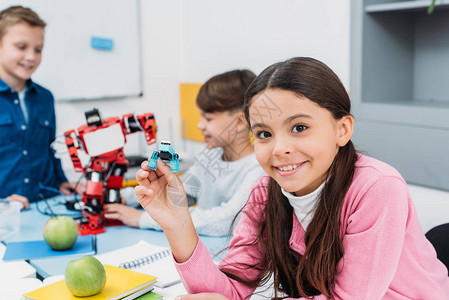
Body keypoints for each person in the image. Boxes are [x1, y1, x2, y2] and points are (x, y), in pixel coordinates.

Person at [134, 57, 449, 299]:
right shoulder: (264, 192)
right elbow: (229, 291)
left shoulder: (377, 188)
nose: (280, 149)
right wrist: (178, 224)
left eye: (299, 127)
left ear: (343, 129)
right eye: (265, 134)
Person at [105, 69, 265, 236]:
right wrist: (124, 197)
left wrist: (142, 219)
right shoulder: (212, 157)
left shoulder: (258, 170)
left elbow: (226, 221)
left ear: (240, 122)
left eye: (208, 119)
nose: (199, 125)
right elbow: (181, 192)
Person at [0, 6, 81, 209]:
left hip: (47, 206)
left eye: (38, 49)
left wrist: (62, 181)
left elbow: (49, 148)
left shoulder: (45, 98)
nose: (31, 56)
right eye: (21, 47)